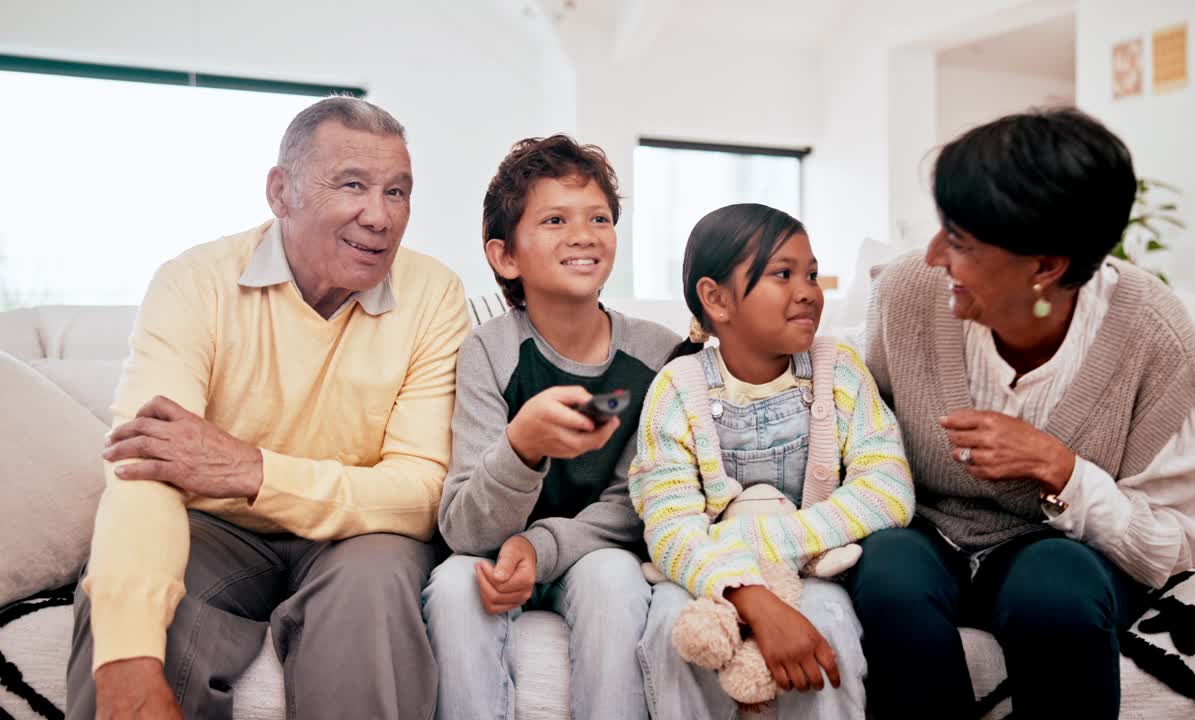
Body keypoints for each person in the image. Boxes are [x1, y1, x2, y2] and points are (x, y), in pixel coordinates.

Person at [65, 96, 470, 720]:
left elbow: (420, 494)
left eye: (398, 192)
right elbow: (141, 467)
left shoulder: (435, 294)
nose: (380, 216)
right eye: (353, 185)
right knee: (135, 609)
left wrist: (254, 471)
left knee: (375, 586)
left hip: (358, 538)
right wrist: (128, 658)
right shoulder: (194, 281)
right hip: (218, 530)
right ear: (281, 192)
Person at [846, 108, 1195, 720]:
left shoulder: (1155, 337)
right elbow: (862, 438)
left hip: (1062, 549)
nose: (934, 254)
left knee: (1054, 590)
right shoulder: (904, 294)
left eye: (962, 242)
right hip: (926, 532)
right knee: (889, 572)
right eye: (942, 228)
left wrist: (1062, 469)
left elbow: (1173, 545)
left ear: (1047, 267)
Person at [422, 135, 680, 720]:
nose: (585, 233)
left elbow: (637, 502)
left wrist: (543, 547)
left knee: (614, 580)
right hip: (494, 552)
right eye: (556, 219)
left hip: (594, 551)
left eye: (600, 218)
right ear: (505, 257)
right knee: (458, 586)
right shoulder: (488, 351)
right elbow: (463, 527)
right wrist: (522, 446)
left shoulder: (658, 355)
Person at [629, 203, 915, 719]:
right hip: (707, 578)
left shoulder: (838, 369)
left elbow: (888, 491)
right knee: (674, 625)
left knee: (827, 617)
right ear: (715, 299)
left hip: (813, 572)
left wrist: (759, 543)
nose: (807, 290)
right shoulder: (677, 388)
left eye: (810, 274)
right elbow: (670, 527)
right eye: (782, 274)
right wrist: (749, 593)